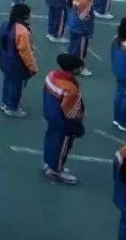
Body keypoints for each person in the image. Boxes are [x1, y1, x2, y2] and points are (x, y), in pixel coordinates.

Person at [42, 53, 85, 184]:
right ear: (73, 69)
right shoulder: (70, 89)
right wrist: (77, 126)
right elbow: (71, 113)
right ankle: (56, 171)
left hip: (51, 115)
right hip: (63, 123)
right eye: (79, 67)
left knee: (51, 140)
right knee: (62, 147)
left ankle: (48, 164)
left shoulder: (51, 75)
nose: (81, 69)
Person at [0, 3, 38, 118]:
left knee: (8, 82)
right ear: (24, 16)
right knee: (17, 87)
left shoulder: (5, 24)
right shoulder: (22, 31)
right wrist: (33, 67)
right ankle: (13, 107)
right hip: (18, 65)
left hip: (6, 61)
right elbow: (26, 53)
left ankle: (5, 103)